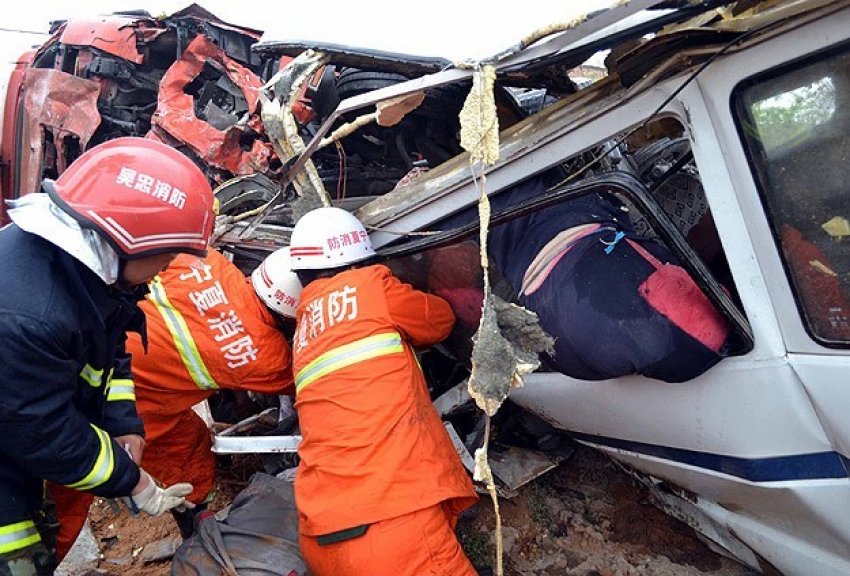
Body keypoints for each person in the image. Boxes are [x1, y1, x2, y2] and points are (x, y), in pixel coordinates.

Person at [0, 137, 216, 575]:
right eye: (168, 254)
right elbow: (43, 434)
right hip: (14, 448)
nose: (168, 267)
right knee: (18, 555)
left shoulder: (82, 274)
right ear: (126, 241)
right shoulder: (27, 319)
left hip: (15, 440)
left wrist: (123, 422)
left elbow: (109, 350)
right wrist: (129, 479)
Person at [51, 246, 302, 559]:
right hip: (121, 402)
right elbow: (308, 381)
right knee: (65, 497)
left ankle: (196, 521)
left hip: (90, 351)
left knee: (189, 446)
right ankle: (36, 559)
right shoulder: (265, 356)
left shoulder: (207, 260)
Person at [287, 206, 478, 575]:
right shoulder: (369, 286)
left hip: (320, 537)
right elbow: (438, 319)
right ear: (359, 260)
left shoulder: (304, 330)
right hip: (391, 525)